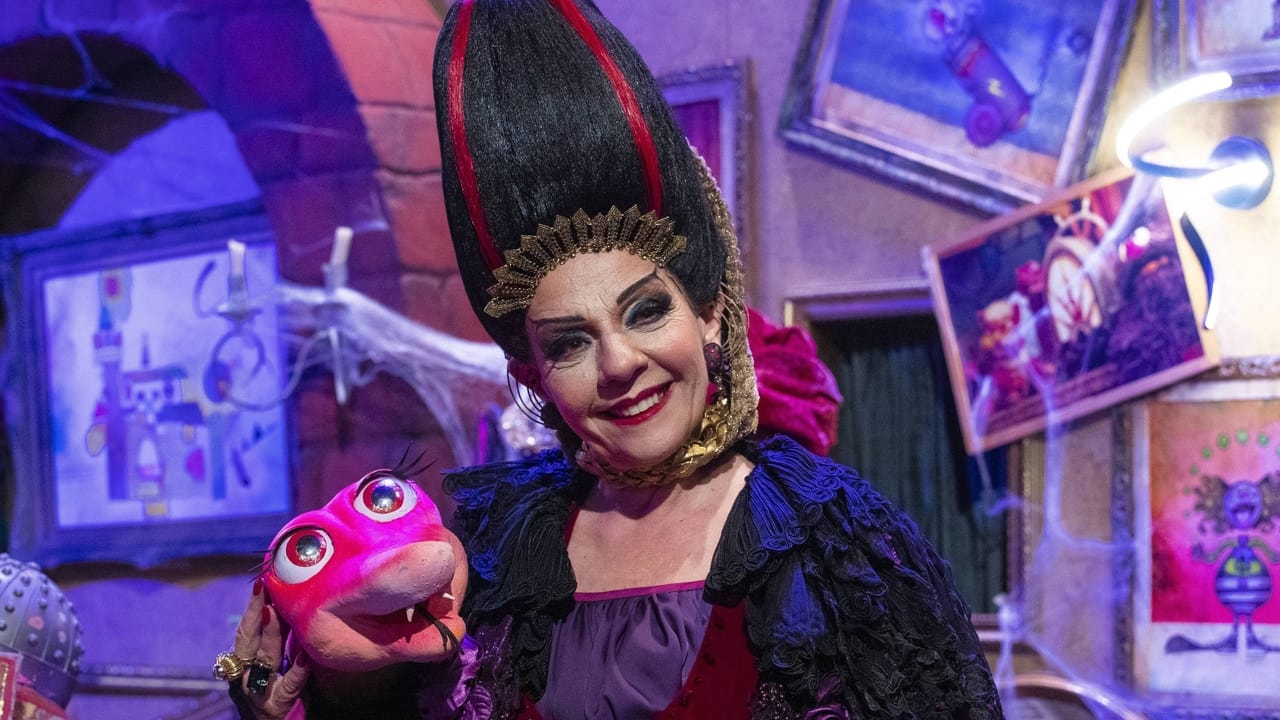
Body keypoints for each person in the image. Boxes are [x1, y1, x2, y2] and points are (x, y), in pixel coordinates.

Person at [222, 0, 1002, 717]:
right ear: (532, 377)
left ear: (709, 313)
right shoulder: (498, 559)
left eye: (646, 311)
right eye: (570, 343)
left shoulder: (838, 549)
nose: (620, 363)